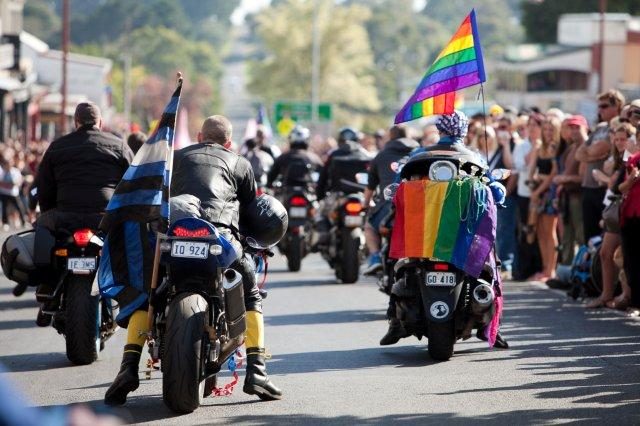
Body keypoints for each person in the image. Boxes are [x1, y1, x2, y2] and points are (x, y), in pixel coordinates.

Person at [104, 115, 282, 405]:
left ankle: (127, 368)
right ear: (229, 142)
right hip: (219, 240)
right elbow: (250, 214)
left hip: (173, 238)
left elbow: (154, 196)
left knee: (145, 296)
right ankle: (257, 372)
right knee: (251, 297)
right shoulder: (240, 164)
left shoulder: (174, 158)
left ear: (199, 136)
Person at [586, 123, 635, 308]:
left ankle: (627, 296)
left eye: (624, 139)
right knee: (606, 253)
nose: (620, 142)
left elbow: (619, 185)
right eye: (617, 139)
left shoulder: (631, 157)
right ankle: (606, 295)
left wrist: (607, 179)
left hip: (628, 209)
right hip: (614, 208)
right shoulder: (618, 158)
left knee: (625, 257)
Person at [362, 125, 419, 275]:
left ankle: (374, 257)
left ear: (391, 137)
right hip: (417, 207)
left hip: (388, 206)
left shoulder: (381, 156)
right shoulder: (420, 153)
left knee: (369, 227)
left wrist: (365, 204)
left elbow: (370, 187)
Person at [576, 89, 624, 241]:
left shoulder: (619, 129)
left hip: (604, 189)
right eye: (599, 106)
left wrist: (591, 152)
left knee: (603, 236)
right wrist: (592, 154)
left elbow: (598, 149)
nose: (600, 110)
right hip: (589, 186)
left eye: (604, 106)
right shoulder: (600, 127)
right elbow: (580, 153)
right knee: (589, 236)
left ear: (617, 107)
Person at [527, 117, 560, 282]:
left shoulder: (556, 148)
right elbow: (532, 169)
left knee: (550, 231)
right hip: (538, 193)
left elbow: (553, 174)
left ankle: (551, 270)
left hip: (549, 193)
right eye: (545, 129)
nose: (548, 133)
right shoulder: (540, 147)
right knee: (539, 231)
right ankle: (545, 268)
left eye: (551, 129)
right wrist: (533, 182)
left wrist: (538, 187)